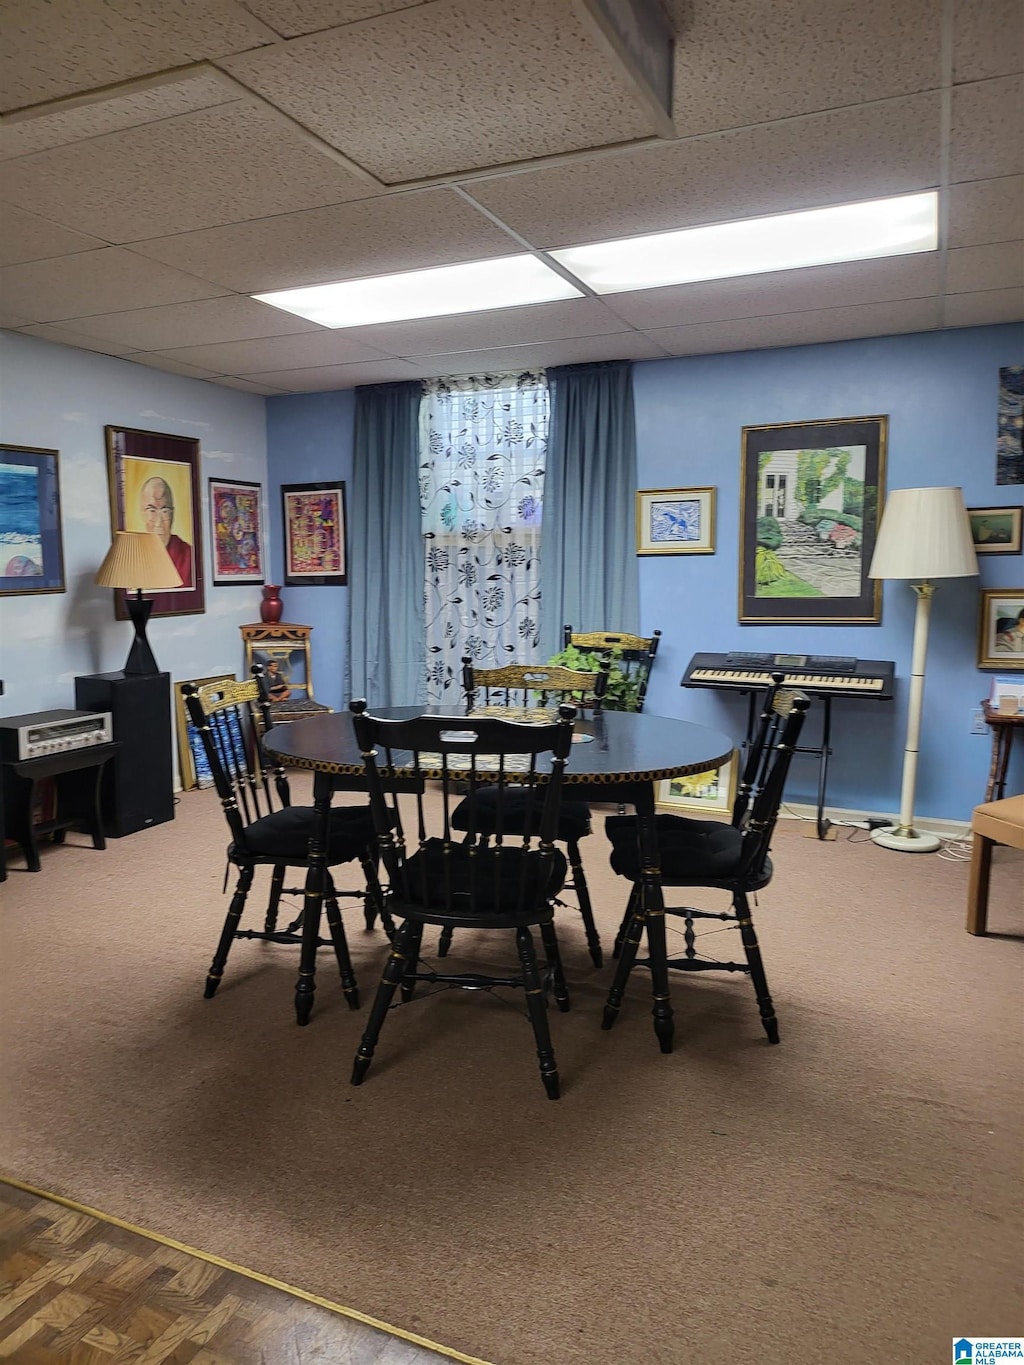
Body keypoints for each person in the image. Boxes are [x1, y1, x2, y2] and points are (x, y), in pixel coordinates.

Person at [139, 475, 192, 588]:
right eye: (151, 510)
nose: (159, 523)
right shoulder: (132, 556)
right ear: (142, 514)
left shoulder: (188, 555)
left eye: (165, 511)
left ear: (173, 514)